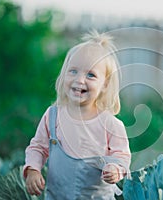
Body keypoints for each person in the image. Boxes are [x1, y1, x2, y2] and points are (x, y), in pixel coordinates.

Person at [23, 30, 131, 199]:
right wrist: (33, 170)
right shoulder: (53, 116)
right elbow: (38, 147)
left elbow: (122, 156)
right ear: (64, 74)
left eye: (91, 75)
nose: (80, 80)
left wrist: (115, 169)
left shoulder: (110, 124)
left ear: (105, 84)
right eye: (73, 71)